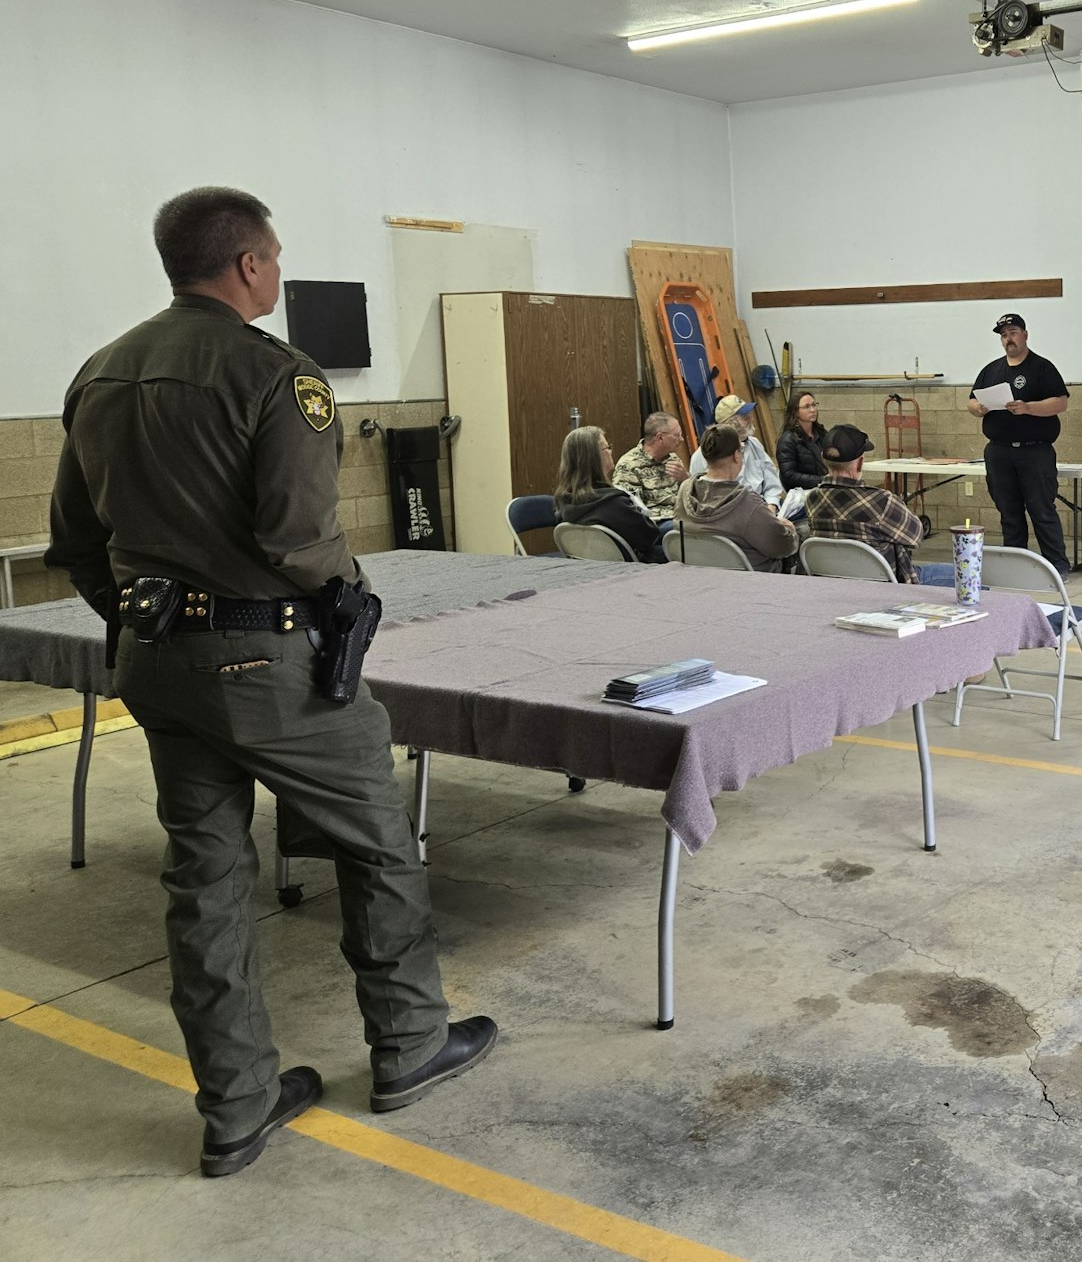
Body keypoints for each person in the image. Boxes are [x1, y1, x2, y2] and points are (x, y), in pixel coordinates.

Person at [45, 186, 495, 1178]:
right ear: (248, 264)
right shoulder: (277, 375)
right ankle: (410, 1043)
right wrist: (350, 600)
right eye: (276, 257)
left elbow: (73, 542)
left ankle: (237, 1105)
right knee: (378, 843)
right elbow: (297, 538)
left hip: (159, 666)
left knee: (204, 878)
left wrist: (142, 617)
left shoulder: (99, 372)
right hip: (270, 667)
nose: (279, 272)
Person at [968, 312, 1070, 572]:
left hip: (1034, 451)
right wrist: (978, 408)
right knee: (1008, 511)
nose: (1008, 339)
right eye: (1004, 335)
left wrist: (1028, 408)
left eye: (1013, 333)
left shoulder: (1042, 367)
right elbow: (971, 401)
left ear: (1025, 335)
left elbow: (1061, 402)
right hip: (999, 452)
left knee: (1041, 510)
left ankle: (1057, 565)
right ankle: (1016, 564)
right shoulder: (991, 370)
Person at [804, 424, 926, 582]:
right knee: (956, 571)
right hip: (886, 586)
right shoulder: (881, 501)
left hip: (833, 584)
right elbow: (916, 536)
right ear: (860, 463)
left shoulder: (812, 500)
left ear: (823, 460)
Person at [675, 423, 800, 572]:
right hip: (752, 577)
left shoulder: (685, 490)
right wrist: (790, 531)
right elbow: (783, 547)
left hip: (699, 573)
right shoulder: (747, 502)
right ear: (736, 455)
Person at [554, 425, 666, 562]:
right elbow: (649, 537)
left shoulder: (563, 501)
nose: (611, 452)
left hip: (591, 567)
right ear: (596, 457)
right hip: (634, 567)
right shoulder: (614, 503)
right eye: (607, 448)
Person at [687, 394, 784, 507]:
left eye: (749, 415)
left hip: (763, 504)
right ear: (730, 424)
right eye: (745, 417)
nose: (751, 419)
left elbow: (772, 482)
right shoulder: (704, 454)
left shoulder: (754, 444)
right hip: (731, 509)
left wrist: (772, 504)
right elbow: (701, 496)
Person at [611, 411, 687, 522]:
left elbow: (691, 498)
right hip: (656, 523)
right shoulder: (629, 465)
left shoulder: (673, 458)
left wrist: (685, 479)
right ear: (660, 437)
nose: (681, 439)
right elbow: (629, 509)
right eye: (677, 435)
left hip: (681, 517)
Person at [776, 391, 829, 491]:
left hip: (823, 486)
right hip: (802, 491)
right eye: (807, 407)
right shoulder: (787, 440)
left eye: (814, 405)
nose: (813, 410)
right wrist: (821, 480)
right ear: (795, 412)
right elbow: (789, 475)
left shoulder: (821, 432)